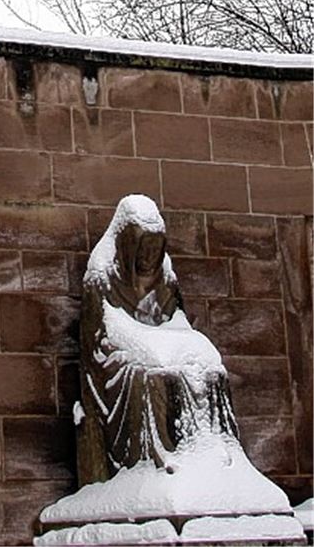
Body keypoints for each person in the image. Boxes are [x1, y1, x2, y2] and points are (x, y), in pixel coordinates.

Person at [77, 194, 239, 485]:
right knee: (154, 374)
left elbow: (175, 318)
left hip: (158, 342)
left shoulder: (164, 274)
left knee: (209, 365)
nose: (149, 256)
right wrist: (152, 347)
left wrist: (190, 344)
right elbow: (107, 330)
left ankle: (216, 454)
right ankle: (158, 460)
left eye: (155, 248)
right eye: (143, 248)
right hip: (115, 356)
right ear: (128, 245)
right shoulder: (102, 275)